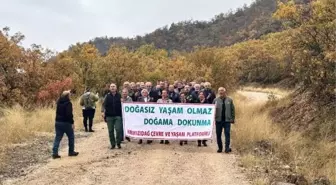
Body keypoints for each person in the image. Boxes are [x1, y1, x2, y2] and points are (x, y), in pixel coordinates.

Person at [52, 90, 79, 159]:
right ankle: (71, 151)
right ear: (67, 96)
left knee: (57, 137)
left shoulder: (59, 102)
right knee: (71, 136)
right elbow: (69, 114)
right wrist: (72, 122)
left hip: (58, 122)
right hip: (66, 123)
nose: (70, 96)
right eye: (69, 95)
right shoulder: (68, 103)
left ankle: (54, 153)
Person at [213, 87, 235, 153]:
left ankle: (227, 148)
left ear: (225, 92)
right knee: (218, 135)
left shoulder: (230, 100)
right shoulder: (215, 100)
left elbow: (232, 110)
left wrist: (232, 118)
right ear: (218, 92)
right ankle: (220, 148)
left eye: (222, 91)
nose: (221, 92)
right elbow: (212, 110)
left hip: (227, 120)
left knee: (227, 134)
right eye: (219, 91)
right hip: (218, 120)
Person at [101, 83, 123, 149]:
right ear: (109, 88)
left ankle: (118, 143)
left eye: (114, 86)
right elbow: (103, 105)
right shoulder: (107, 96)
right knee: (110, 131)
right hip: (109, 116)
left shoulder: (119, 96)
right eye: (111, 87)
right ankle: (112, 144)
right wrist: (102, 112)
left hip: (118, 116)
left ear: (116, 88)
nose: (112, 88)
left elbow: (124, 104)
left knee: (118, 129)